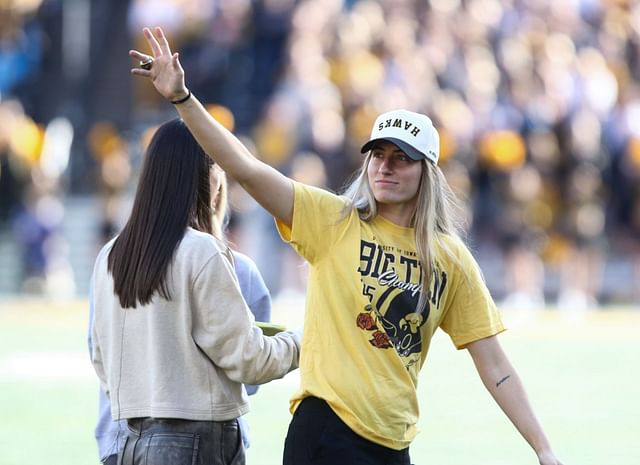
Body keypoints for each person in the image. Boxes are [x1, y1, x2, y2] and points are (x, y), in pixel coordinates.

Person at [130, 26, 564, 465]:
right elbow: (245, 168)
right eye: (377, 155)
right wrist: (182, 99)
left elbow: (497, 367)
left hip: (394, 442)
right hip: (325, 431)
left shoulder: (449, 258)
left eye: (401, 158)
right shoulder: (332, 219)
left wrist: (543, 449)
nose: (385, 167)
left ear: (427, 171)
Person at [88, 117, 300, 465]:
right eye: (218, 163)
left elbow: (100, 358)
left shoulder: (109, 255)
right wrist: (303, 341)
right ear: (206, 176)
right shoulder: (202, 250)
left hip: (128, 440)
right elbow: (248, 360)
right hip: (196, 441)